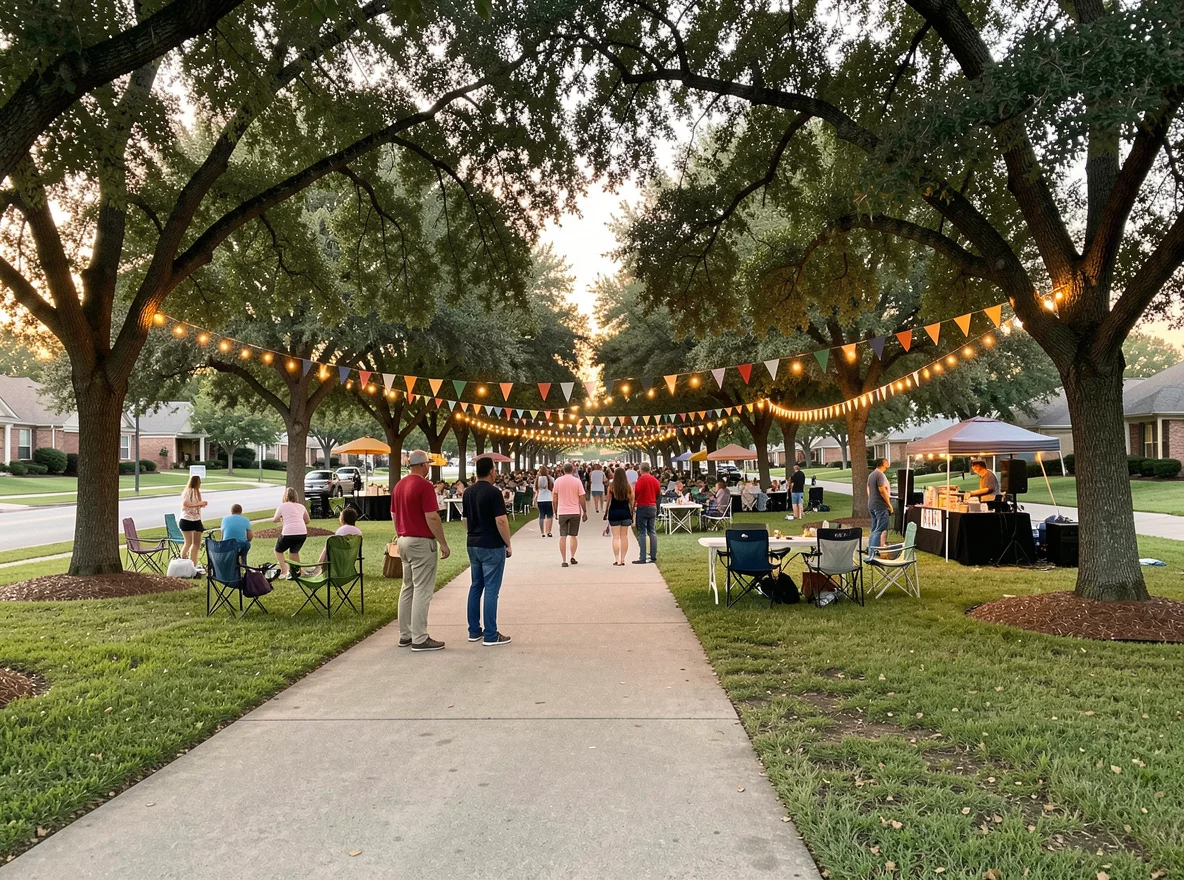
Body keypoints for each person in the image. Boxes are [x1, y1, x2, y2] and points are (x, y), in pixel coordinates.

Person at [392, 450, 451, 652]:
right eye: (428, 463)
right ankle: (419, 637)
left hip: (403, 539)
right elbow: (432, 517)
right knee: (422, 590)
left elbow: (393, 513)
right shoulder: (424, 486)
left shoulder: (399, 485)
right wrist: (442, 542)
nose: (429, 467)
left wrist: (399, 533)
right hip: (420, 541)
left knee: (407, 587)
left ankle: (405, 634)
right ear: (422, 465)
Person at [461, 456, 513, 646]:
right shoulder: (494, 493)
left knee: (476, 587)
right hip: (491, 544)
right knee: (491, 589)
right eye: (495, 470)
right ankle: (491, 633)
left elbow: (464, 520)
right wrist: (507, 543)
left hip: (473, 543)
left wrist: (472, 533)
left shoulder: (468, 492)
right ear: (491, 471)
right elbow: (501, 520)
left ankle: (474, 630)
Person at [304, 506, 363, 575]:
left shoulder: (341, 530)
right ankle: (317, 568)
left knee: (327, 548)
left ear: (343, 519)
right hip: (352, 557)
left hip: (338, 557)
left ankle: (317, 569)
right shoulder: (359, 532)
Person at [552, 462, 587, 567]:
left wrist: (555, 510)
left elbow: (554, 497)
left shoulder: (558, 481)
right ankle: (572, 556)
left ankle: (564, 560)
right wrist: (584, 511)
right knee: (573, 535)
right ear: (572, 470)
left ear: (563, 470)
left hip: (562, 511)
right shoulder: (577, 481)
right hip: (575, 511)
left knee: (563, 536)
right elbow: (581, 497)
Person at [272, 486, 310, 579]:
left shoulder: (283, 505)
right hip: (302, 533)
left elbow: (275, 519)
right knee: (294, 552)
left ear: (285, 496)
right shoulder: (301, 506)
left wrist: (282, 519)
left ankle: (285, 571)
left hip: (288, 532)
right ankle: (297, 572)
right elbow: (307, 520)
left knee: (278, 550)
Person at [632, 462, 662, 564]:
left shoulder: (640, 480)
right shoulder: (655, 480)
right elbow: (658, 493)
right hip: (652, 506)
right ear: (649, 469)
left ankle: (642, 557)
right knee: (652, 531)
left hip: (642, 506)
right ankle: (653, 556)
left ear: (640, 470)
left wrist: (634, 503)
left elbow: (636, 493)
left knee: (642, 532)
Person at [179, 475, 208, 571]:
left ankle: (193, 566)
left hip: (196, 520)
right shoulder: (189, 491)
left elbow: (195, 505)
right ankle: (182, 563)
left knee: (196, 544)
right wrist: (199, 504)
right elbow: (185, 503)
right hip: (187, 520)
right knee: (188, 543)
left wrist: (201, 504)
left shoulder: (197, 492)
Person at [605, 467, 634, 565]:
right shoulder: (628, 487)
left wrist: (605, 513)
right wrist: (632, 513)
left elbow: (608, 501)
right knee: (624, 536)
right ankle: (623, 559)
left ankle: (617, 559)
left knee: (616, 537)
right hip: (625, 512)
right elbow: (631, 501)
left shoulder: (611, 487)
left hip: (614, 512)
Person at [867, 458, 893, 561]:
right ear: (883, 463)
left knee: (874, 529)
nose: (888, 463)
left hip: (872, 505)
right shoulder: (880, 474)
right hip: (880, 506)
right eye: (887, 461)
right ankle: (873, 553)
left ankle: (871, 549)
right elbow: (882, 490)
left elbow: (868, 489)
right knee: (880, 529)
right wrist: (889, 504)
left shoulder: (872, 474)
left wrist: (871, 500)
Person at [535, 465, 555, 537]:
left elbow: (536, 489)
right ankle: (548, 531)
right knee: (549, 516)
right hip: (549, 498)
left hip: (540, 499)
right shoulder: (550, 478)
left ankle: (542, 532)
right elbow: (553, 488)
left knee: (541, 516)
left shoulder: (537, 479)